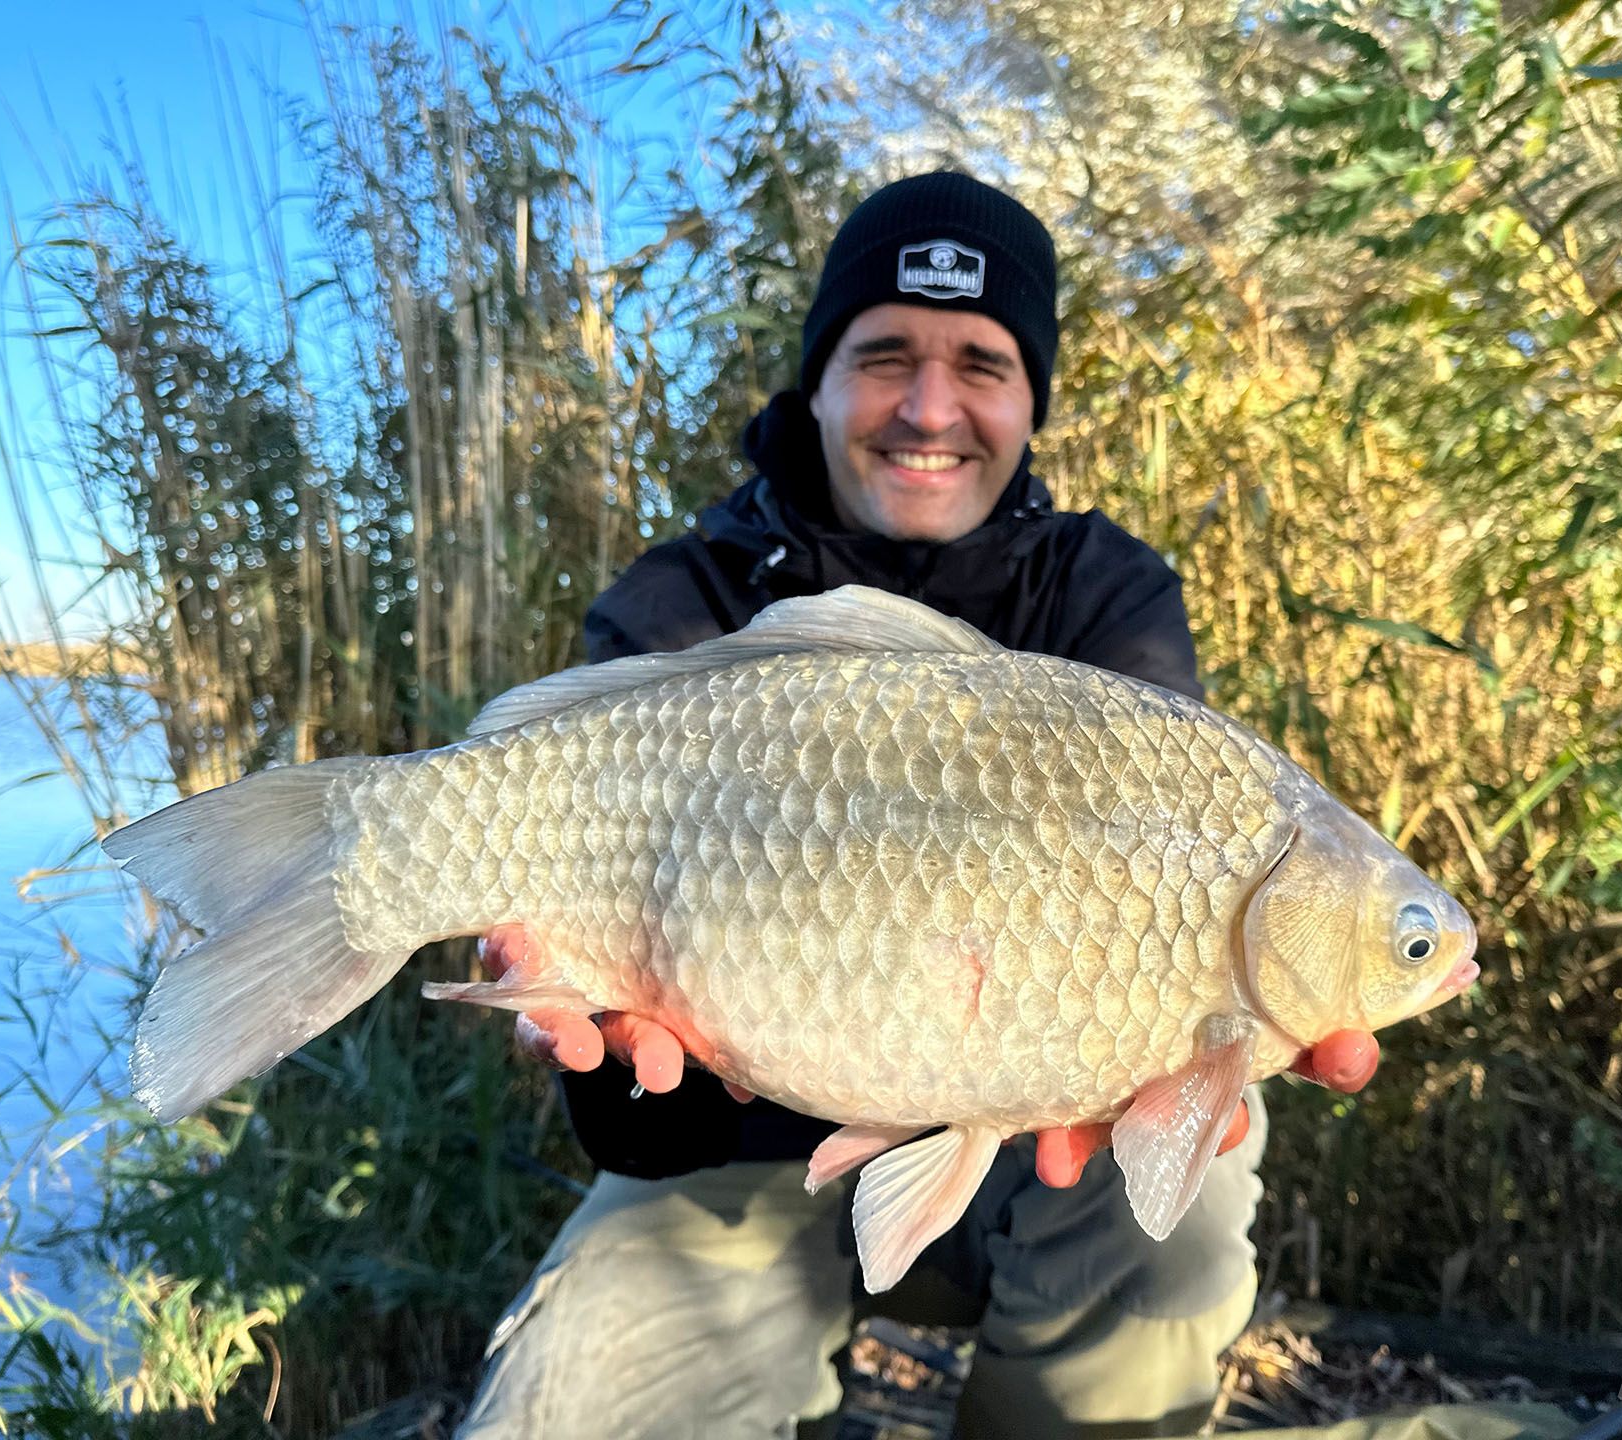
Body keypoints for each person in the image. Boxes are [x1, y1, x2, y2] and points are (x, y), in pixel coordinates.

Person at [455, 171, 1378, 1439]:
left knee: (1188, 1188)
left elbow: (1168, 950)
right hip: (728, 1167)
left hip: (1033, 1171)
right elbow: (637, 1134)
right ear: (819, 381)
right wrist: (596, 1011)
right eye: (885, 353)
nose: (930, 406)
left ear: (1030, 399)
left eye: (982, 364)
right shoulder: (686, 602)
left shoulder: (1104, 599)